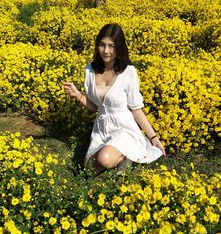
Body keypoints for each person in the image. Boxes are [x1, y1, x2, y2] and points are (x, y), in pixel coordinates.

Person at [63, 23, 165, 175]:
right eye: (102, 45)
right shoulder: (90, 71)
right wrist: (78, 94)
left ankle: (127, 153)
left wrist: (153, 137)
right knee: (89, 170)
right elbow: (94, 108)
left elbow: (136, 109)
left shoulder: (128, 73)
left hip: (124, 128)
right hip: (102, 128)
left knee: (104, 159)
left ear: (119, 48)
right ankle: (122, 155)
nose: (106, 51)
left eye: (111, 46)